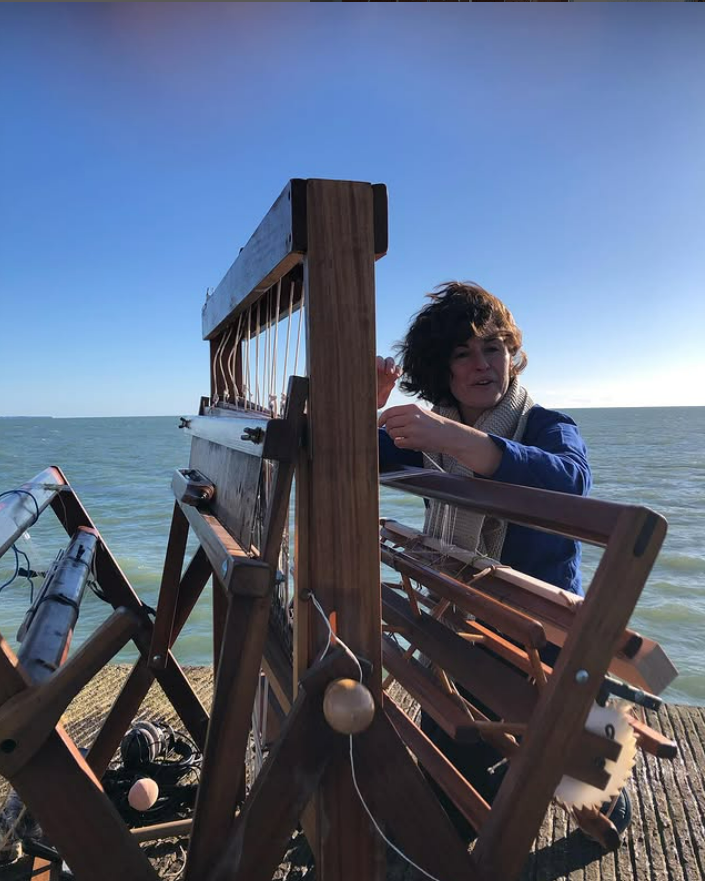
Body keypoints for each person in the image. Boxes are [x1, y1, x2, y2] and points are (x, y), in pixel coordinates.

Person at [377, 281, 631, 840]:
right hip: (464, 624)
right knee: (449, 794)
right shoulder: (426, 432)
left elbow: (570, 479)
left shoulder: (545, 424)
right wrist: (365, 407)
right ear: (440, 370)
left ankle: (597, 796)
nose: (482, 364)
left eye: (492, 347)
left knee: (602, 799)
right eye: (462, 353)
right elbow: (346, 449)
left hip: (550, 633)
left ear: (511, 355)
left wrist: (462, 441)